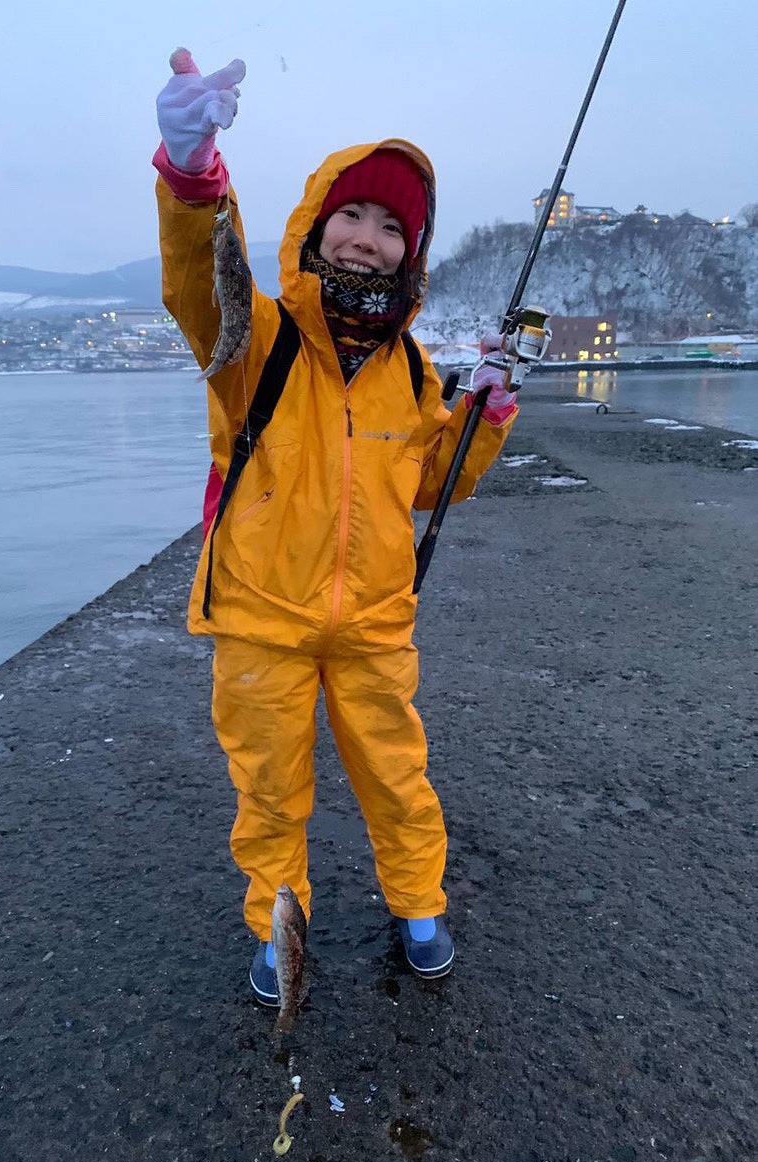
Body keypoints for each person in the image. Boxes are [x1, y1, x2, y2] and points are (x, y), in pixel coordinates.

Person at [152, 48, 519, 1005]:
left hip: (374, 624)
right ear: (315, 225)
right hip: (260, 622)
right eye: (350, 213)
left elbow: (432, 482)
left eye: (392, 224)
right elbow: (201, 284)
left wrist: (480, 420)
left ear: (414, 252)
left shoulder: (413, 369)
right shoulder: (259, 340)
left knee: (399, 779)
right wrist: (193, 175)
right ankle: (281, 930)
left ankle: (420, 905)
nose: (367, 236)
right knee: (270, 793)